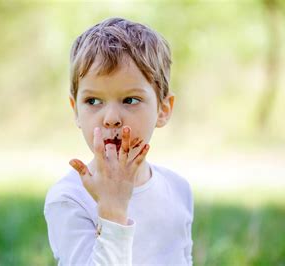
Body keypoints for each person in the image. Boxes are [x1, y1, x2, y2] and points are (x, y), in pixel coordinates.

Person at [44, 17, 193, 265]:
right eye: (93, 101)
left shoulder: (178, 189)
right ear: (76, 110)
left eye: (130, 100)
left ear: (163, 109)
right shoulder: (69, 198)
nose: (111, 118)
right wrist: (112, 210)